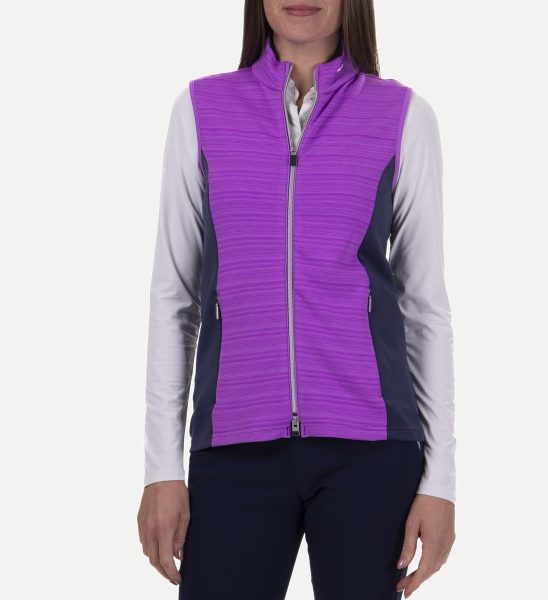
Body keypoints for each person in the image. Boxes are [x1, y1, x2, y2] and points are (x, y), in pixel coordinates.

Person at [137, 1, 456, 598]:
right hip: (234, 447)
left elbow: (424, 308)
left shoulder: (402, 116)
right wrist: (161, 470)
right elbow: (174, 299)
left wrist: (440, 481)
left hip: (371, 449)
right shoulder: (202, 110)